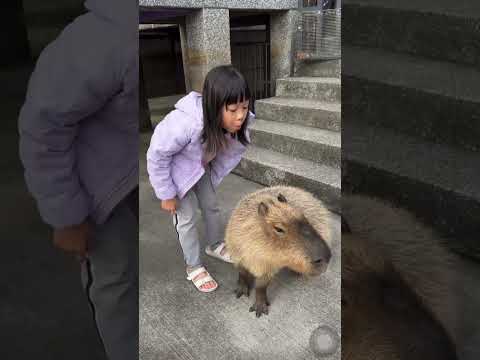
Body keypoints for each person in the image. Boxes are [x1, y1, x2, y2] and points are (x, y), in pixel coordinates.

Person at [18, 1, 138, 359]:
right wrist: (66, 216)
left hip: (133, 177)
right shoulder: (103, 36)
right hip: (96, 192)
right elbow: (43, 127)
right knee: (117, 282)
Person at [146, 65, 254, 293]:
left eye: (244, 107)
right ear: (214, 106)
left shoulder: (235, 126)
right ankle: (193, 266)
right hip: (175, 179)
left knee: (211, 207)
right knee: (186, 220)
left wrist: (212, 176)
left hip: (199, 170)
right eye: (233, 109)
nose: (241, 115)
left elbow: (227, 152)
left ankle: (214, 245)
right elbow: (157, 154)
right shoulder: (185, 123)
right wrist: (166, 194)